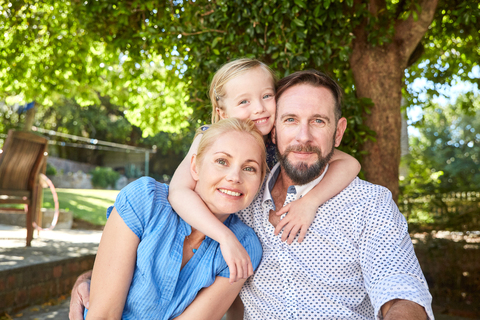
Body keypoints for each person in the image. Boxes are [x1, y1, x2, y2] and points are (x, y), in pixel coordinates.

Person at [227, 69, 434, 319]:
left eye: (318, 121)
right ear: (273, 130)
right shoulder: (240, 199)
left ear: (338, 132)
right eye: (290, 120)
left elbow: (400, 289)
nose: (303, 137)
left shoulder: (370, 203)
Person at [168, 58, 361, 284]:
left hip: (239, 236)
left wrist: (310, 202)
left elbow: (350, 164)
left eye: (267, 96)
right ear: (222, 114)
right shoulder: (209, 137)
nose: (259, 108)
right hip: (191, 231)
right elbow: (178, 192)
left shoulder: (277, 140)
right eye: (244, 102)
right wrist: (224, 237)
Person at [82, 118, 265, 320]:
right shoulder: (145, 201)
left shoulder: (245, 246)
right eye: (222, 161)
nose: (235, 177)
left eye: (249, 168)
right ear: (195, 167)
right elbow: (104, 315)